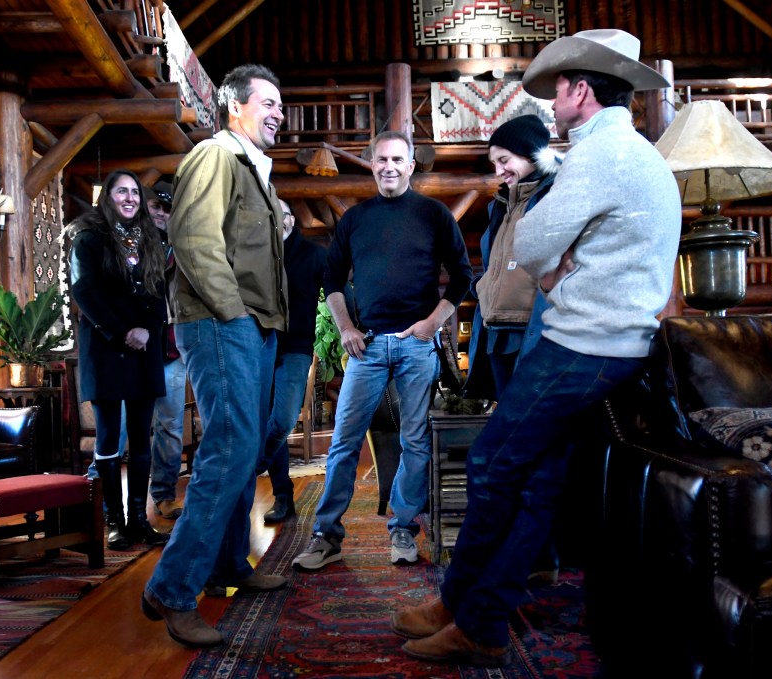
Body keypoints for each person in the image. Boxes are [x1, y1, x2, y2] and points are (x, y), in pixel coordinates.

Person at [389, 29, 682, 666]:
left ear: (581, 89)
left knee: (493, 465)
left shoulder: (600, 154)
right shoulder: (635, 152)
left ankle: (469, 612)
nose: (552, 104)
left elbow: (530, 241)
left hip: (583, 344)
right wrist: (558, 262)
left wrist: (554, 267)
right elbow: (545, 245)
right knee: (538, 481)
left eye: (557, 92)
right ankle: (473, 610)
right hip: (615, 346)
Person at [142, 63, 289, 648]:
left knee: (245, 449)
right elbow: (195, 239)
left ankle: (229, 566)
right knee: (230, 452)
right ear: (235, 106)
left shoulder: (254, 170)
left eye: (282, 105)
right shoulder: (215, 156)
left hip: (253, 325)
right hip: (223, 323)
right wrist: (235, 316)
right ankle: (172, 589)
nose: (279, 113)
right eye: (269, 102)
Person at [292, 130, 473, 571]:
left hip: (415, 346)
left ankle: (403, 532)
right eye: (380, 160)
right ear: (372, 165)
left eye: (397, 159)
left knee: (414, 442)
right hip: (367, 348)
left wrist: (432, 323)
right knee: (343, 443)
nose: (388, 166)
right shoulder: (356, 219)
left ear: (411, 166)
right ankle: (326, 536)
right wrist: (346, 327)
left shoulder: (434, 214)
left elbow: (463, 276)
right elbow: (332, 281)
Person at [68, 169, 170, 551]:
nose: (129, 198)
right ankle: (114, 521)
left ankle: (140, 519)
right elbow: (86, 293)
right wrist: (122, 331)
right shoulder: (88, 239)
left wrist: (145, 328)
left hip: (145, 349)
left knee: (142, 437)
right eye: (121, 192)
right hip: (107, 349)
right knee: (109, 438)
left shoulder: (152, 239)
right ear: (106, 197)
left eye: (134, 192)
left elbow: (159, 291)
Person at [462, 114, 560, 401]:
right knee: (508, 423)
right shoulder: (499, 206)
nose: (498, 171)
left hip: (536, 333)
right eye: (495, 163)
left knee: (532, 428)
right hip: (496, 332)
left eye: (504, 160)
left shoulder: (555, 198)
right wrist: (482, 286)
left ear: (530, 153)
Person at [257, 199, 327, 524]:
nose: (279, 220)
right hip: (258, 346)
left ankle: (255, 463)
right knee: (263, 421)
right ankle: (283, 497)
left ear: (292, 219)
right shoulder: (257, 255)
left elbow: (339, 288)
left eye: (283, 214)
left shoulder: (313, 254)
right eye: (273, 215)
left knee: (283, 421)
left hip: (296, 348)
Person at [142, 181, 186, 520]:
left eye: (167, 208)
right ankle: (107, 502)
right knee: (128, 426)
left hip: (172, 351)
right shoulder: (130, 244)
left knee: (170, 426)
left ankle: (164, 494)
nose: (160, 212)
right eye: (156, 205)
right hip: (135, 351)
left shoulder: (182, 246)